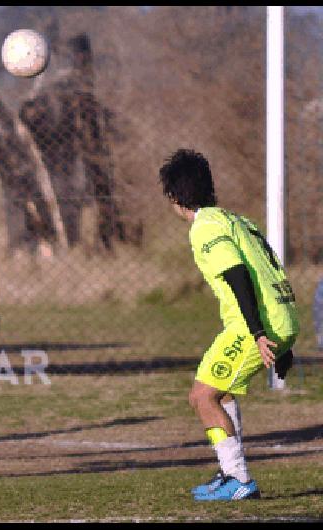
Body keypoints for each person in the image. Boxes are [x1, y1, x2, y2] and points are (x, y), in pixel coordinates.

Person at [158, 149, 299, 501]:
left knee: (202, 397)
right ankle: (230, 474)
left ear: (175, 197)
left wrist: (259, 333)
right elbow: (267, 273)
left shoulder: (205, 227)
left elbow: (237, 274)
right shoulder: (238, 220)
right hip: (279, 317)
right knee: (222, 392)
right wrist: (284, 337)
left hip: (254, 326)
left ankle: (239, 480)